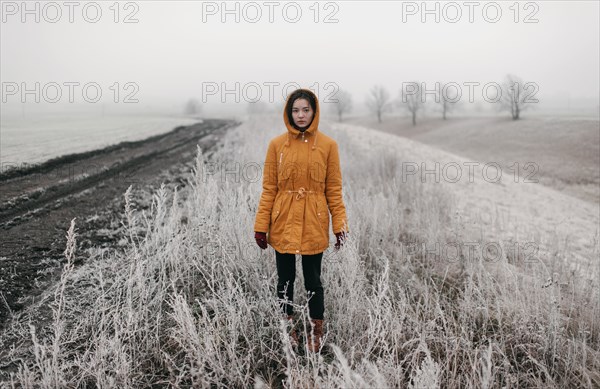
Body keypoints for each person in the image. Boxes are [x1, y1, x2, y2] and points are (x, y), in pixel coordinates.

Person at [253, 88, 350, 353]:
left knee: (313, 281)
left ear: (314, 111)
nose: (301, 115)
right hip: (283, 221)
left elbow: (333, 190)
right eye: (295, 110)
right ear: (288, 113)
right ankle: (288, 330)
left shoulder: (329, 146)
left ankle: (315, 332)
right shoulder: (276, 145)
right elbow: (269, 189)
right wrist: (261, 226)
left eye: (306, 109)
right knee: (285, 279)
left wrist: (340, 226)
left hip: (314, 223)